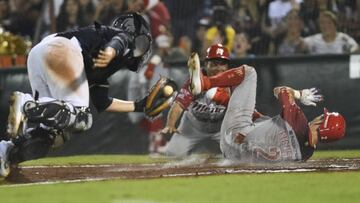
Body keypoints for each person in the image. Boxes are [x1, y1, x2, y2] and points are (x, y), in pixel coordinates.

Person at [0, 12, 156, 177]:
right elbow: (122, 39)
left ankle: (6, 151)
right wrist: (111, 51)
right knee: (81, 117)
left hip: (40, 53)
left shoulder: (100, 58)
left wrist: (140, 106)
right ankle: (28, 105)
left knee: (52, 134)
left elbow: (103, 102)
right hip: (61, 50)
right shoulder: (118, 39)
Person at [187, 54, 346, 162]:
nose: (319, 117)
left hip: (233, 135)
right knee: (270, 124)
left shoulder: (299, 121)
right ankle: (222, 99)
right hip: (237, 158)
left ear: (321, 122)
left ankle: (205, 83)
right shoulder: (306, 154)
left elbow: (279, 90)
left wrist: (299, 94)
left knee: (249, 73)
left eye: (323, 117)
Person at [161, 44, 251, 156]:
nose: (218, 68)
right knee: (172, 154)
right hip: (192, 126)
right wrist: (170, 124)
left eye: (222, 64)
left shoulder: (234, 83)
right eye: (213, 64)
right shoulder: (194, 82)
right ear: (205, 64)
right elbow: (179, 105)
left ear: (228, 67)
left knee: (242, 155)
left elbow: (244, 111)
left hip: (222, 128)